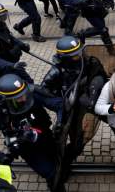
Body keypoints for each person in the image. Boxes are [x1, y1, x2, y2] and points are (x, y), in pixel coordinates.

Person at [0, 74, 66, 192]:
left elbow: (60, 104)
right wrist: (0, 156)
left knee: (61, 159)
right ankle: (54, 183)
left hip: (46, 136)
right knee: (51, 173)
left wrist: (59, 124)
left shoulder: (31, 92)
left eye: (24, 94)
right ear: (6, 99)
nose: (24, 99)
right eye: (18, 97)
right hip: (27, 148)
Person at [41, 36, 107, 180]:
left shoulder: (84, 60)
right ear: (65, 57)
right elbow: (43, 91)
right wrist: (59, 102)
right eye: (74, 55)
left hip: (85, 103)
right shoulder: (56, 72)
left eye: (79, 52)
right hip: (68, 109)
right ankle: (61, 165)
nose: (79, 55)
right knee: (67, 140)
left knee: (79, 142)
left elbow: (96, 73)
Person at [0, 2, 33, 84]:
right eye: (0, 17)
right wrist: (11, 66)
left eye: (4, 16)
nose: (3, 19)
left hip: (11, 64)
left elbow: (10, 37)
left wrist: (22, 45)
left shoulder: (1, 26)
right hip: (2, 70)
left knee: (29, 82)